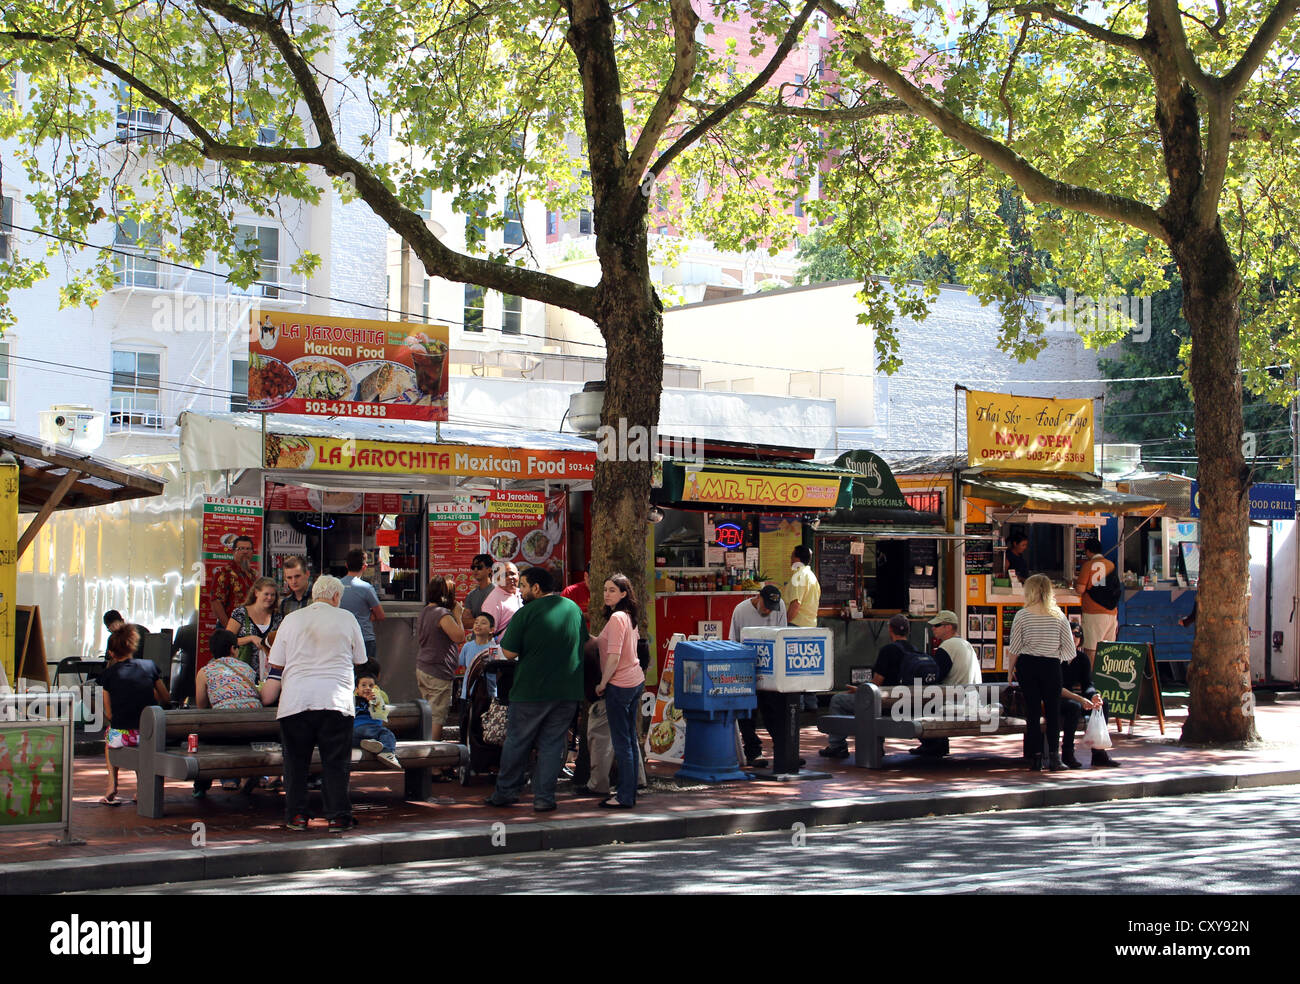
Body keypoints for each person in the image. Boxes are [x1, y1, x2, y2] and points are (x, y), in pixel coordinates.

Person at [267, 574, 368, 833]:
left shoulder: (291, 619)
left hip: (295, 700)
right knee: (335, 761)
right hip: (335, 700)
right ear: (336, 597)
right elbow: (361, 659)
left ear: (314, 595)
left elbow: (276, 662)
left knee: (296, 762)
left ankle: (297, 815)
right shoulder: (347, 618)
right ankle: (337, 816)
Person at [485, 566, 586, 813]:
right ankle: (544, 798)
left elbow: (508, 652)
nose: (521, 590)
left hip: (531, 689)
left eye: (524, 586)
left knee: (518, 741)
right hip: (567, 689)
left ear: (537, 588)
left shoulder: (526, 612)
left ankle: (506, 792)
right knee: (553, 744)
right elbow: (584, 641)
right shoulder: (573, 609)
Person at [1007, 573, 1077, 772]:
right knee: (1053, 712)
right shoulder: (1058, 615)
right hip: (1051, 666)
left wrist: (1010, 671)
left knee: (1033, 713)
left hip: (1028, 665)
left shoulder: (1022, 615)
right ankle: (1054, 757)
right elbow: (1070, 651)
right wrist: (1055, 656)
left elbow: (1015, 648)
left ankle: (1036, 757)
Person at [819, 613, 912, 760]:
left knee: (838, 700)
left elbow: (875, 685)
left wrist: (859, 690)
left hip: (885, 703)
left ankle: (837, 746)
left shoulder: (888, 651)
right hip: (908, 704)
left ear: (890, 630)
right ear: (908, 631)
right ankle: (876, 746)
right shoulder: (915, 650)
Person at [592, 574, 646, 809]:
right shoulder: (628, 617)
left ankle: (624, 796)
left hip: (620, 684)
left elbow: (613, 657)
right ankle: (628, 791)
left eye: (612, 590)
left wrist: (603, 683)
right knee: (630, 740)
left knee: (623, 742)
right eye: (605, 589)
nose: (606, 594)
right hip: (635, 681)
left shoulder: (616, 618)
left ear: (624, 593)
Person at [100, 625, 170, 805]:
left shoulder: (109, 675)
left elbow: (109, 713)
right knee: (143, 745)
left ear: (111, 653)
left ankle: (111, 784)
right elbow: (166, 697)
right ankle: (141, 788)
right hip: (149, 734)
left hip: (121, 735)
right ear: (133, 646)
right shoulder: (150, 667)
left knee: (110, 735)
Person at [728, 584, 787, 767]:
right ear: (758, 597)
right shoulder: (741, 610)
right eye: (766, 605)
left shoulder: (781, 606)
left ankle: (784, 750)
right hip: (747, 667)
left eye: (772, 607)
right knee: (748, 712)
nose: (769, 610)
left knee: (774, 710)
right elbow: (733, 640)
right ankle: (753, 751)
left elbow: (783, 634)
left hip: (770, 668)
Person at [910, 610, 983, 757]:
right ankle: (938, 744)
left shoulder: (947, 647)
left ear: (948, 627)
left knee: (911, 704)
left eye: (937, 625)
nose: (933, 628)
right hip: (972, 701)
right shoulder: (966, 644)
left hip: (955, 704)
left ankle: (932, 743)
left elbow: (936, 676)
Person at [1060, 622, 1119, 769]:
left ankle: (1099, 753)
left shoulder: (1082, 658)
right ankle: (1067, 753)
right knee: (1074, 707)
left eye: (1077, 634)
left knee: (1102, 704)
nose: (1074, 637)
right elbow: (1056, 688)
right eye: (1070, 633)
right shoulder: (1056, 657)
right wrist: (1080, 699)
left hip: (1075, 697)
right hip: (1056, 698)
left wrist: (1094, 696)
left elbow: (1087, 684)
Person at [416, 575, 467, 740]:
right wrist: (458, 615)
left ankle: (427, 748)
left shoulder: (426, 610)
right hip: (438, 670)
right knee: (437, 715)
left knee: (429, 713)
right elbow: (459, 637)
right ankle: (433, 758)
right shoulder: (442, 614)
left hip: (424, 667)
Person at [225, 577, 282, 679]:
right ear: (256, 593)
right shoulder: (241, 613)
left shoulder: (277, 617)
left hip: (268, 674)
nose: (269, 598)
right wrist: (250, 638)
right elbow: (226, 640)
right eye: (266, 594)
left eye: (272, 595)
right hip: (242, 673)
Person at [1074, 536, 1118, 666]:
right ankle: (1105, 678)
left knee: (1091, 648)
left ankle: (1091, 680)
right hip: (1111, 612)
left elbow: (1080, 589)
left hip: (1093, 612)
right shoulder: (1111, 565)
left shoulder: (1088, 565)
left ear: (1087, 551)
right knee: (1108, 648)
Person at [195, 628, 264, 710]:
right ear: (233, 649)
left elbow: (201, 705)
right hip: (254, 713)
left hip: (223, 715)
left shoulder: (204, 672)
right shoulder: (247, 667)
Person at [340, 549, 386, 666]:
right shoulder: (366, 588)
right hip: (364, 637)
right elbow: (380, 615)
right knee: (366, 676)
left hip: (342, 638)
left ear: (346, 565)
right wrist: (368, 615)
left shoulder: (336, 586)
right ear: (364, 567)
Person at [354, 668, 402, 770]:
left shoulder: (377, 700)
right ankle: (387, 752)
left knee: (366, 740)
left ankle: (369, 743)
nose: (367, 688)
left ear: (376, 688)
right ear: (356, 690)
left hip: (363, 736)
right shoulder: (355, 701)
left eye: (371, 686)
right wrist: (366, 701)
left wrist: (374, 701)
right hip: (361, 729)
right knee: (387, 734)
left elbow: (381, 712)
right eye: (363, 685)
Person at [210, 534, 258, 632]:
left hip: (248, 627)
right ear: (233, 552)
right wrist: (229, 629)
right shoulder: (224, 572)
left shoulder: (253, 575)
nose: (245, 552)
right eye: (241, 548)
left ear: (252, 553)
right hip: (228, 628)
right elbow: (216, 602)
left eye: (248, 549)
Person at [458, 613, 502, 699]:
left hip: (487, 693)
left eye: (483, 623)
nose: (478, 625)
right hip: (467, 693)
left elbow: (496, 672)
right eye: (476, 622)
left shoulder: (493, 649)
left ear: (491, 630)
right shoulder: (467, 646)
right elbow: (464, 667)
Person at [482, 561, 523, 639]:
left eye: (512, 574)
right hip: (503, 648)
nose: (510, 578)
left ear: (518, 574)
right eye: (504, 575)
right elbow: (487, 634)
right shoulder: (493, 600)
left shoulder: (522, 593)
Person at [783, 545, 820, 627]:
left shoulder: (799, 576)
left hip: (797, 625)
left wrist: (784, 623)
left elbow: (795, 603)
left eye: (792, 556)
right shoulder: (811, 576)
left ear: (797, 559)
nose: (790, 560)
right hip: (809, 625)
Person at [463, 553, 496, 626]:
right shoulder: (471, 595)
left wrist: (474, 621)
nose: (475, 570)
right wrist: (485, 622)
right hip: (476, 637)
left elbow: (496, 621)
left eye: (479, 567)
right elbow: (465, 623)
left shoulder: (497, 592)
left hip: (493, 636)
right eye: (473, 567)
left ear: (489, 570)